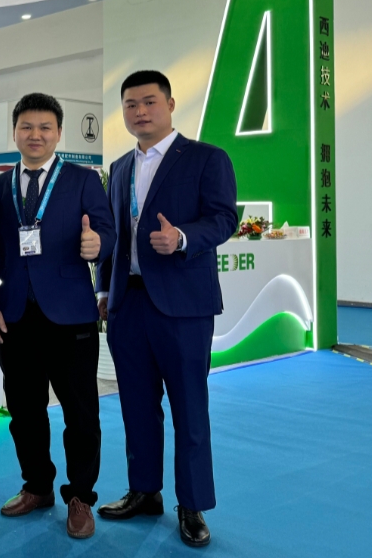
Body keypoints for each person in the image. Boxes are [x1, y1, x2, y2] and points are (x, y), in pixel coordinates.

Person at [95, 71, 238, 548]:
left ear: (171, 104)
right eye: (130, 104)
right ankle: (144, 491)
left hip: (183, 305)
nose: (140, 111)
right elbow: (113, 235)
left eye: (149, 102)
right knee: (136, 405)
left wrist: (182, 238)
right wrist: (102, 289)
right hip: (128, 303)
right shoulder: (119, 167)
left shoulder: (205, 158)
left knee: (189, 408)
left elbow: (224, 218)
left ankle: (192, 504)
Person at [0, 93, 116, 539]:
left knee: (81, 413)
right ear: (14, 132)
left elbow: (108, 231)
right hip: (14, 315)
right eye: (26, 127)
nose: (35, 135)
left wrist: (98, 245)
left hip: (71, 316)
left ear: (58, 133)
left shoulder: (82, 180)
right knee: (24, 411)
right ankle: (37, 486)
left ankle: (80, 497)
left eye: (44, 128)